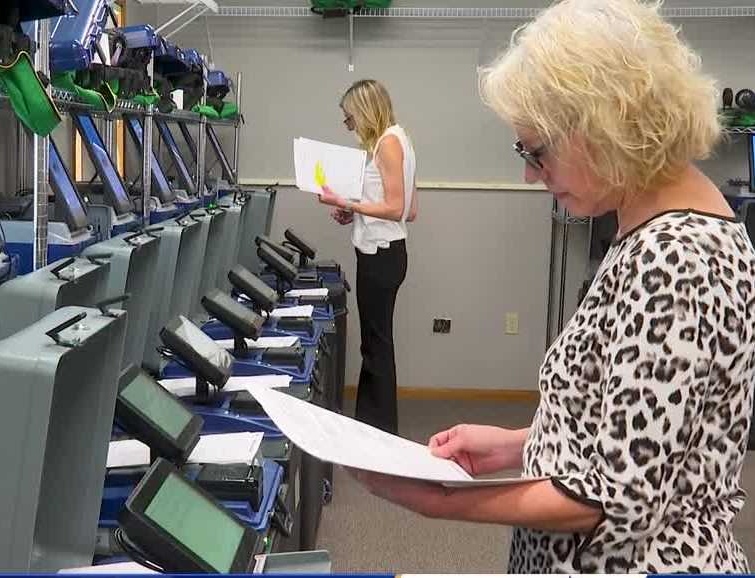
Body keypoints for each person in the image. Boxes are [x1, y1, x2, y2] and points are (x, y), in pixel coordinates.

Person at [348, 0, 755, 573]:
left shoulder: (676, 259)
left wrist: (441, 501)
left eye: (536, 152)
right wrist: (522, 444)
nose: (528, 174)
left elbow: (621, 498)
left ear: (605, 126)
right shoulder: (652, 232)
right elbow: (642, 432)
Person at [318, 79, 417, 435]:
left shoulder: (387, 144)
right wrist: (357, 212)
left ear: (364, 110)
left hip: (380, 255)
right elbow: (411, 209)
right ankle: (373, 426)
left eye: (349, 118)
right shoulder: (399, 139)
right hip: (388, 253)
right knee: (376, 342)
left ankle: (378, 431)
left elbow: (395, 207)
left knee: (376, 345)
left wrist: (345, 202)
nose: (350, 126)